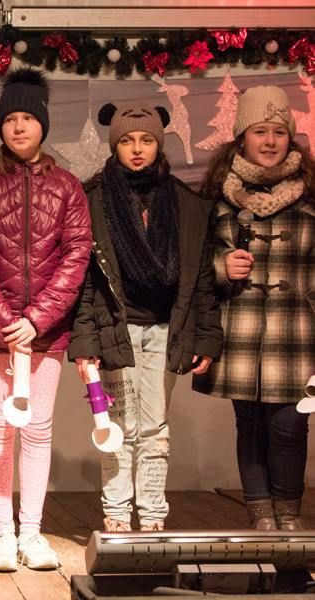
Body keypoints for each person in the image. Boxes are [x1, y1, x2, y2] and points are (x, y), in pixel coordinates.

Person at [0, 68, 91, 572]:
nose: (18, 127)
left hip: (47, 334)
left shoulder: (67, 187)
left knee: (37, 429)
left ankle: (32, 532)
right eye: (10, 118)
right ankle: (1, 533)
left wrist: (37, 319)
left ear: (43, 124)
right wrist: (3, 322)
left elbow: (76, 255)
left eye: (28, 118)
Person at [69, 101, 222, 533]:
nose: (137, 149)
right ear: (114, 145)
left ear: (159, 144)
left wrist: (206, 337)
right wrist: (85, 343)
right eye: (127, 141)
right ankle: (117, 515)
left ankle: (153, 517)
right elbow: (85, 281)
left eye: (146, 140)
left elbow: (200, 278)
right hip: (114, 329)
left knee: (155, 427)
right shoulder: (94, 200)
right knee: (116, 427)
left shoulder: (185, 204)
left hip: (166, 329)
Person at [194, 85, 314, 530]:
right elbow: (195, 264)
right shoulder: (218, 197)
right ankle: (261, 514)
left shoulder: (311, 194)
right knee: (250, 423)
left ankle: (289, 515)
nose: (269, 141)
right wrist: (222, 267)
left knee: (290, 425)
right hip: (240, 328)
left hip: (297, 331)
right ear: (241, 137)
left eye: (279, 132)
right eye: (260, 131)